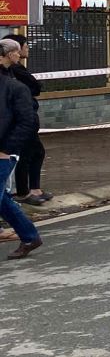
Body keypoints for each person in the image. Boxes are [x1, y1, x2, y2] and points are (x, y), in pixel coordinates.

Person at [0, 39, 43, 260]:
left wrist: (7, 150)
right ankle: (29, 237)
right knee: (3, 201)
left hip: (4, 154)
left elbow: (27, 122)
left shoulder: (15, 87)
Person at [6, 37, 49, 206]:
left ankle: (32, 189)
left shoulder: (15, 69)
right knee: (28, 154)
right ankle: (24, 192)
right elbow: (34, 86)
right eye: (23, 47)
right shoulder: (13, 71)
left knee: (34, 152)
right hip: (20, 121)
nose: (24, 51)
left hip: (26, 118)